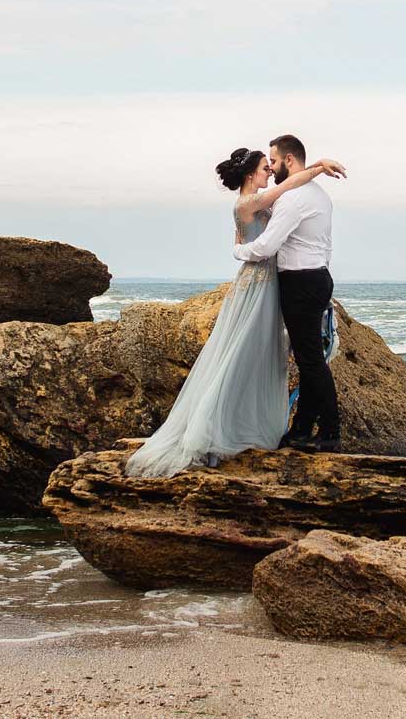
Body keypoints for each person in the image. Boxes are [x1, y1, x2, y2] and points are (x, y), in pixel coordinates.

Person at [124, 145, 346, 477]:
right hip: (257, 283)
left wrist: (315, 165)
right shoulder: (249, 202)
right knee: (240, 354)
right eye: (264, 167)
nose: (269, 171)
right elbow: (286, 189)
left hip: (273, 283)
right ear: (249, 175)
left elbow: (288, 181)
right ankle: (216, 432)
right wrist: (239, 250)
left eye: (271, 164)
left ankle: (285, 428)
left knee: (266, 357)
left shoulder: (263, 198)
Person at [232, 134, 340, 453]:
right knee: (310, 360)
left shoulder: (294, 199)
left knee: (311, 362)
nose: (273, 166)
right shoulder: (319, 195)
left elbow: (267, 246)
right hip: (318, 276)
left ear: (289, 160)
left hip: (300, 283)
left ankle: (331, 432)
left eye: (275, 161)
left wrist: (238, 251)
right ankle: (302, 430)